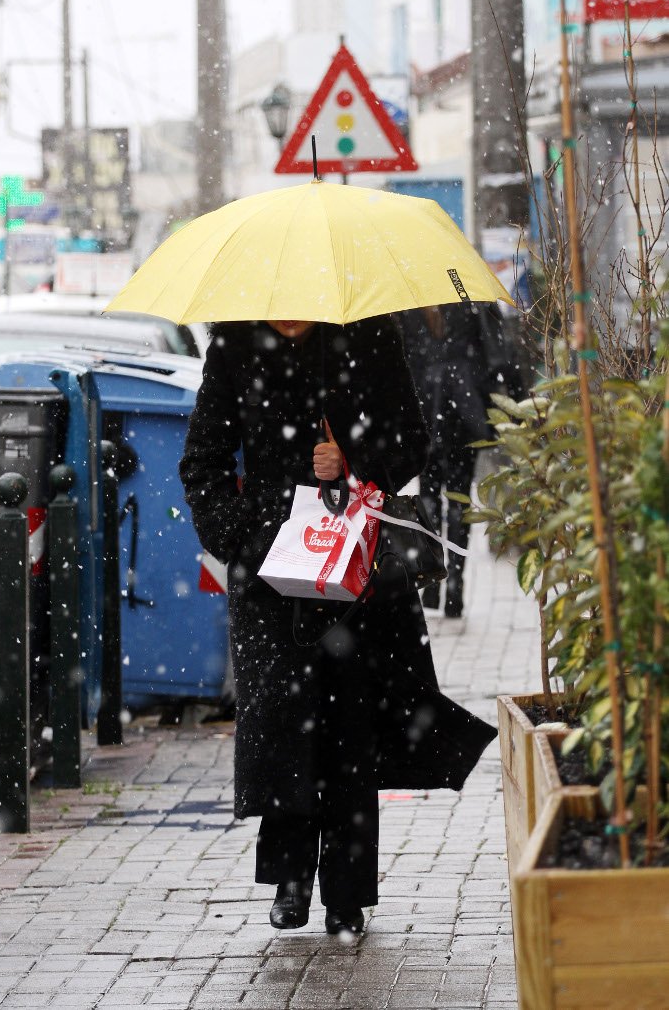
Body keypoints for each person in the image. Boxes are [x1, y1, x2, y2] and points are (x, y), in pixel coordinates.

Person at [179, 316, 496, 936]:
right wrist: (240, 536)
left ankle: (347, 892)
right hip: (269, 571)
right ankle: (290, 878)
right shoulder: (236, 342)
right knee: (282, 721)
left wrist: (353, 461)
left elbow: (411, 441)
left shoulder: (367, 331)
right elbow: (203, 461)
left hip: (354, 560)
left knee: (350, 724)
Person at [398, 303, 513, 617]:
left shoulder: (408, 303)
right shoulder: (470, 299)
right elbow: (497, 356)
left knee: (429, 496)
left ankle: (434, 580)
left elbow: (401, 360)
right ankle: (454, 588)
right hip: (463, 407)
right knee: (458, 500)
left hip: (425, 407)